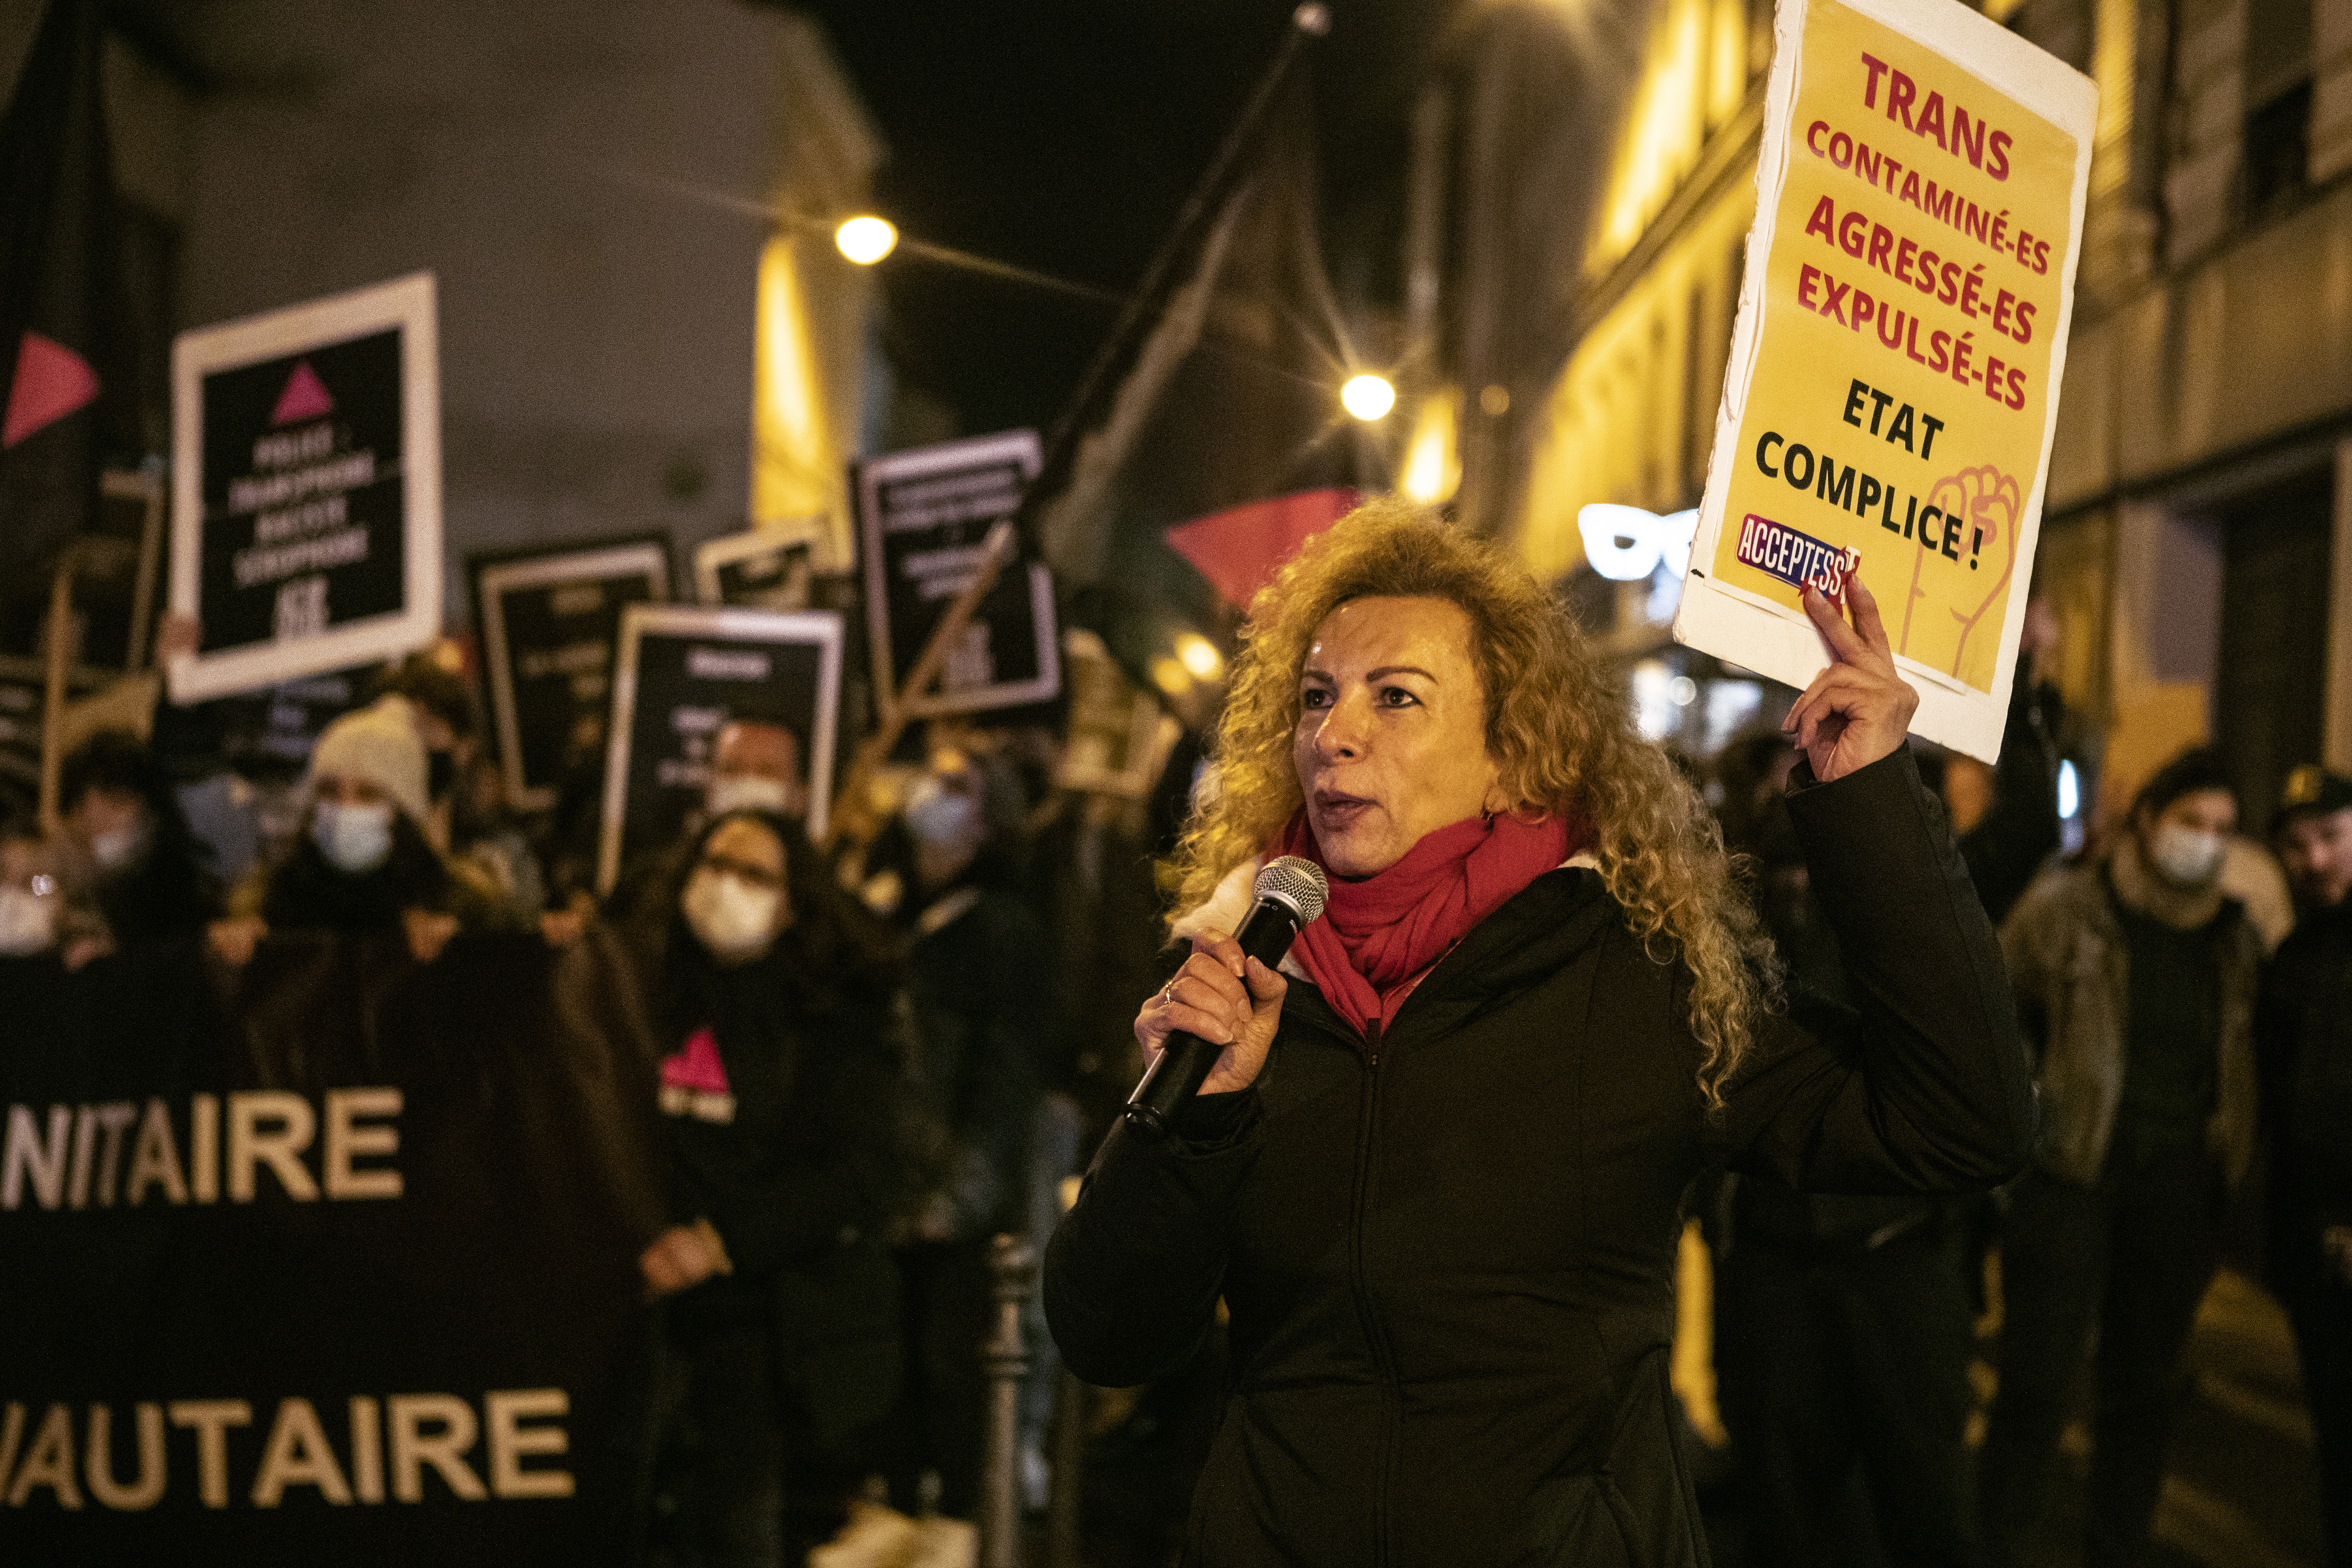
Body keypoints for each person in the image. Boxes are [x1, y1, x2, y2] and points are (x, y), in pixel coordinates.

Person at [1042, 502, 2031, 1567]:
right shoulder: (1239, 978)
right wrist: (1198, 1123)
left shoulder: (1641, 980)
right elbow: (1108, 1334)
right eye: (1317, 696)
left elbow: (1960, 1122)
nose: (1335, 732)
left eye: (1396, 698)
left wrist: (1873, 801)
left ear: (1512, 755)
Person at [1977, 745, 2262, 1568]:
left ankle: (2118, 1543)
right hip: (2073, 1175)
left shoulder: (2234, 937)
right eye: (2190, 822)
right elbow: (1997, 1002)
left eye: (2222, 829)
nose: (2204, 842)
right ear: (2147, 820)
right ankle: (2002, 1540)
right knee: (2035, 1386)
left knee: (2144, 1392)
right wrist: (2029, 1104)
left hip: (2177, 1187)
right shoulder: (2072, 907)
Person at [632, 806, 911, 1568]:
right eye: (714, 863)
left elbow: (856, 1172)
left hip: (761, 1321)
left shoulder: (832, 1013)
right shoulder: (636, 983)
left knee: (735, 1528)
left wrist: (719, 1242)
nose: (727, 885)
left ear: (793, 901)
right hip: (640, 1311)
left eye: (755, 873)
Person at [873, 745, 1045, 1522]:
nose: (928, 796)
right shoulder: (894, 911)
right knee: (893, 1381)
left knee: (951, 1380)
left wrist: (960, 1194)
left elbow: (1005, 1082)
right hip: (889, 1194)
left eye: (955, 786)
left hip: (948, 1206)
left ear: (988, 821)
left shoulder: (1002, 929)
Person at [218, 697, 508, 964]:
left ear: (402, 812)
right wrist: (233, 951)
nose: (347, 806)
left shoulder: (463, 903)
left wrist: (463, 949)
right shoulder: (264, 905)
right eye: (330, 791)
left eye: (368, 794)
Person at [2258, 763, 2352, 1566]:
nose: (2315, 858)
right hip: (2316, 1249)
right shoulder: (2293, 954)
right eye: (2298, 844)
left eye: (2331, 836)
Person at [59, 727, 222, 949]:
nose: (124, 820)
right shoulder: (60, 853)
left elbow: (168, 943)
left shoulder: (163, 867)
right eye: (114, 803)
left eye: (124, 805)